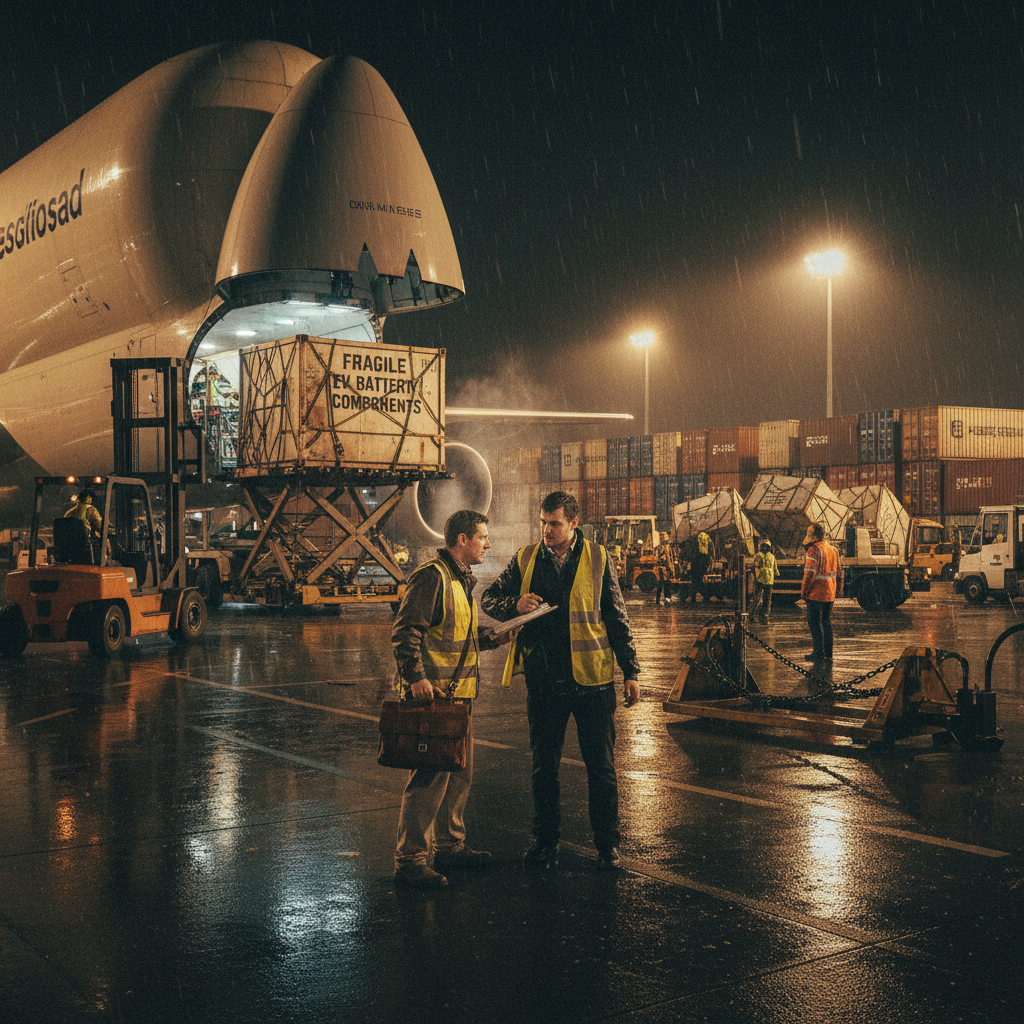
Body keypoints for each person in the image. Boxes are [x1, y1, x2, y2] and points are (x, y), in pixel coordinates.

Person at [482, 490, 640, 871]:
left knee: (601, 767)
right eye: (542, 522)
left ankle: (607, 845)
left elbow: (617, 617)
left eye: (554, 523)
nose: (546, 530)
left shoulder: (600, 558)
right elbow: (489, 597)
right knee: (543, 766)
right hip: (545, 679)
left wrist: (631, 671)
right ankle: (545, 842)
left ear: (573, 524)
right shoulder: (525, 558)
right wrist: (514, 605)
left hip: (593, 681)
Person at [391, 509, 507, 889]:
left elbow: (459, 637)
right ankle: (410, 860)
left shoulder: (460, 581)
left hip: (459, 699)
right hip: (434, 699)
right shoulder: (432, 578)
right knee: (429, 780)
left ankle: (449, 848)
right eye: (482, 537)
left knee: (459, 775)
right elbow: (405, 632)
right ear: (462, 540)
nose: (487, 544)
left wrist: (499, 634)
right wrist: (416, 679)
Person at [800, 523, 844, 663]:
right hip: (829, 594)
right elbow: (839, 572)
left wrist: (803, 592)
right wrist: (839, 590)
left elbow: (809, 573)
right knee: (826, 622)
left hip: (816, 594)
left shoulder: (814, 550)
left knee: (814, 623)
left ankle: (818, 652)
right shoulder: (833, 549)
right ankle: (828, 653)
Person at [749, 540, 779, 624]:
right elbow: (775, 569)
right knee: (759, 599)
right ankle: (756, 617)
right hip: (762, 580)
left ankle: (763, 618)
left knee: (764, 600)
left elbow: (775, 567)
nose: (765, 548)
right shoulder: (760, 556)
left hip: (766, 580)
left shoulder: (770, 556)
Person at [689, 530, 711, 603]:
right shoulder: (706, 538)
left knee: (695, 582)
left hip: (696, 565)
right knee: (699, 582)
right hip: (702, 564)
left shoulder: (697, 539)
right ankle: (705, 596)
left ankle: (694, 598)